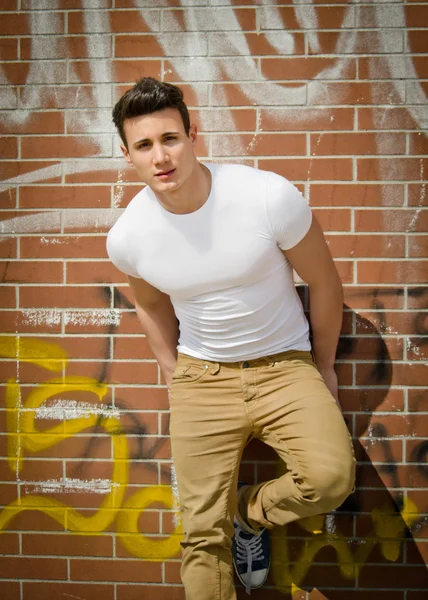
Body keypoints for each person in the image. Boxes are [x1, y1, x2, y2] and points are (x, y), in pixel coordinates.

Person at [107, 77, 356, 600]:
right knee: (201, 535)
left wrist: (325, 365)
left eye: (170, 138)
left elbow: (325, 283)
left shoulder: (265, 196)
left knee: (330, 480)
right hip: (202, 379)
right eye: (145, 145)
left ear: (193, 134)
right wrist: (175, 375)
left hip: (285, 366)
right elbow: (151, 307)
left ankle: (249, 513)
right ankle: (225, 527)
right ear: (127, 154)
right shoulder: (129, 237)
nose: (161, 156)